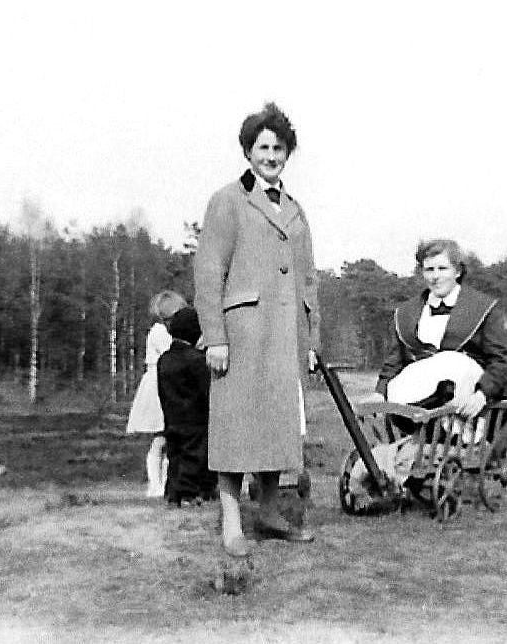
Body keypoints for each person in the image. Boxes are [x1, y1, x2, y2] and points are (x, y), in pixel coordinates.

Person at [194, 102, 320, 557]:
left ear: (288, 153)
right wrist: (216, 337)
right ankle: (232, 522)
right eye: (262, 147)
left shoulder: (296, 209)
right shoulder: (228, 201)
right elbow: (209, 271)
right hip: (242, 335)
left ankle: (268, 514)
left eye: (279, 148)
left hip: (284, 337)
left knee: (275, 427)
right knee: (235, 428)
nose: (271, 156)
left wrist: (311, 341)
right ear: (248, 151)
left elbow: (308, 279)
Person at [368, 239, 507, 420]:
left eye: (443, 269)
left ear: (458, 271)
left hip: (469, 406)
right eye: (429, 270)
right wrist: (379, 392)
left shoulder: (483, 308)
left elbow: (502, 361)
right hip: (418, 401)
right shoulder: (406, 312)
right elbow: (394, 362)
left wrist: (482, 395)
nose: (435, 276)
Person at [126, 290, 188, 497]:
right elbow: (173, 352)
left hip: (167, 382)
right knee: (160, 439)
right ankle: (155, 485)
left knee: (167, 440)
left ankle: (165, 482)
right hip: (158, 386)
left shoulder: (166, 333)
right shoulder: (159, 332)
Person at [157, 307, 217, 506]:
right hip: (195, 418)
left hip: (172, 417)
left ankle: (173, 493)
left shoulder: (164, 359)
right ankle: (189, 493)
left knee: (175, 455)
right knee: (195, 456)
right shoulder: (197, 360)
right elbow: (207, 390)